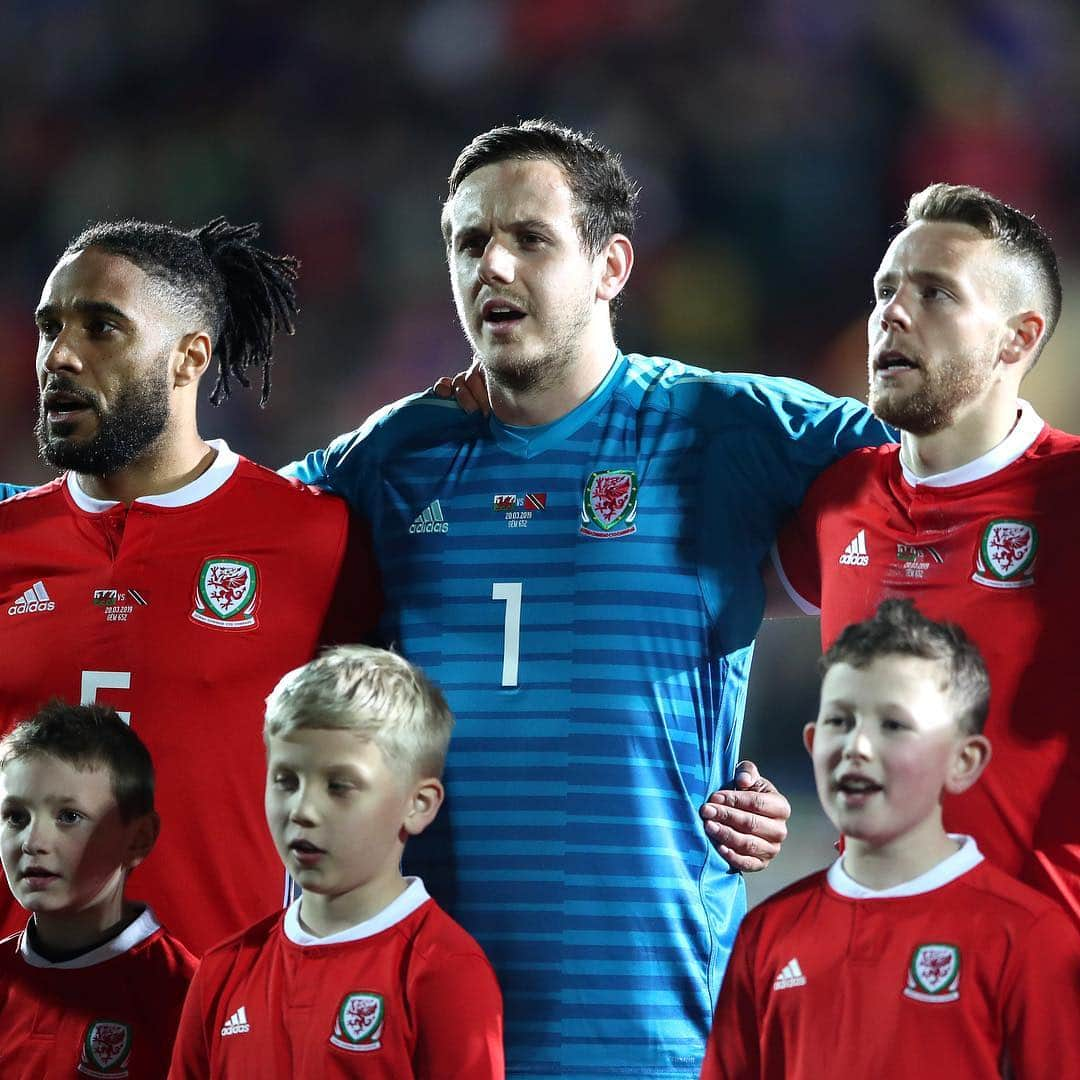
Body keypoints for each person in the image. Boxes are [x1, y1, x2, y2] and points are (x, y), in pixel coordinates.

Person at [283, 119, 893, 1079]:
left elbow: (943, 474)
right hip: (418, 1028)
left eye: (530, 238)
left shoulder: (724, 429)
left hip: (653, 1026)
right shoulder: (393, 457)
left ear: (611, 265)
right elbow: (214, 533)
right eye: (468, 242)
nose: (492, 266)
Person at [0, 219, 380, 953]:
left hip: (212, 1033)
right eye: (50, 327)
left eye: (100, 327)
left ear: (188, 358)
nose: (59, 356)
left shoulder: (316, 540)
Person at [771, 183, 1080, 927]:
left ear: (1017, 338)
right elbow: (705, 609)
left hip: (1045, 992)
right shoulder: (839, 497)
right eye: (885, 289)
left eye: (936, 293)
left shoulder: (1069, 494)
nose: (891, 313)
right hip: (876, 980)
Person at [700, 599, 1080, 1079]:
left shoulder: (1029, 937)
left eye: (894, 725)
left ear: (963, 759)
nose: (858, 747)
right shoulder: (766, 936)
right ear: (814, 743)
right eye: (841, 721)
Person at [168, 645, 504, 1079]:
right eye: (286, 781)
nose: (302, 810)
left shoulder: (445, 972)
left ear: (418, 805)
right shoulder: (222, 971)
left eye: (339, 786)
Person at [0, 702, 197, 1079]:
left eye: (69, 817)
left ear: (139, 839)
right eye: (16, 817)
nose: (33, 841)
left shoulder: (188, 996)